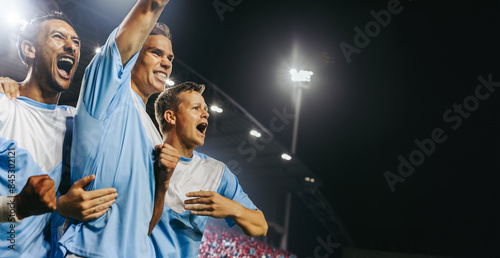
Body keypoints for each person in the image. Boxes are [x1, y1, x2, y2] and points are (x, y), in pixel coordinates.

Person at [58, 0, 178, 257]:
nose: (167, 63)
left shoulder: (154, 133)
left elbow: (148, 224)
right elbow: (149, 7)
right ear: (134, 56)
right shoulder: (108, 93)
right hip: (89, 251)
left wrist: (164, 182)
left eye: (170, 57)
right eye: (156, 53)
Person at [0, 12, 117, 257]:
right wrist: (16, 206)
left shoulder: (74, 121)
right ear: (29, 49)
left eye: (76, 42)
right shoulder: (4, 108)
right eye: (58, 37)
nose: (71, 47)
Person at [151, 81, 268, 257]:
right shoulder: (144, 156)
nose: (206, 114)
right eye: (196, 108)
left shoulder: (216, 172)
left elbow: (261, 226)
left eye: (205, 109)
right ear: (171, 117)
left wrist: (232, 208)